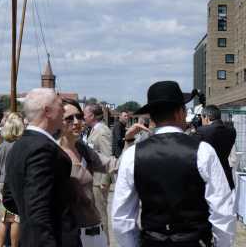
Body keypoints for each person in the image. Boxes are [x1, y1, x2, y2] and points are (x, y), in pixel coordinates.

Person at [112, 81, 236, 247]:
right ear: (180, 112)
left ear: (152, 116)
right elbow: (223, 212)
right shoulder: (203, 151)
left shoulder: (132, 155)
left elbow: (121, 219)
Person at [2, 88, 73, 247]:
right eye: (60, 105)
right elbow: (38, 208)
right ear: (47, 111)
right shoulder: (43, 149)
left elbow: (9, 198)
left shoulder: (18, 145)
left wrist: (26, 216)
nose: (64, 110)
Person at [59, 99, 115, 247]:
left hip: (95, 232)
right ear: (58, 121)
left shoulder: (83, 149)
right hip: (72, 236)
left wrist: (131, 143)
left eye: (79, 116)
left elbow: (111, 164)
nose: (77, 122)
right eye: (69, 118)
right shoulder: (53, 153)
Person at [83, 103, 113, 245]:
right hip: (93, 179)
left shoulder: (102, 131)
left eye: (85, 114)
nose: (83, 117)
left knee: (101, 215)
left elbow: (107, 156)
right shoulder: (93, 130)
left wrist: (105, 181)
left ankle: (105, 243)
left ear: (92, 116)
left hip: (99, 181)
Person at [0, 112, 24, 247]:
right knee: (16, 220)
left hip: (2, 182)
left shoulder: (2, 146)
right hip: (16, 184)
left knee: (3, 219)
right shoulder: (21, 146)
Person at [192, 105, 236, 190]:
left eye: (202, 118)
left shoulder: (202, 131)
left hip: (209, 177)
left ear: (207, 118)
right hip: (226, 175)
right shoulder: (232, 131)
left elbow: (192, 149)